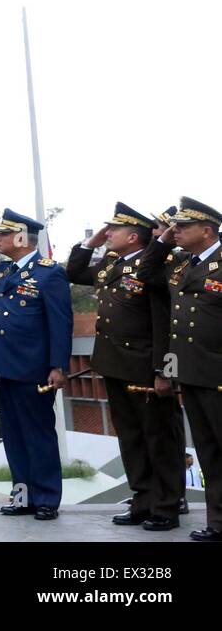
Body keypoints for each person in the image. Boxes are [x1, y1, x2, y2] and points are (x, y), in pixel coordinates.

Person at [67, 203, 183, 531]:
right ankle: (143, 499)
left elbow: (163, 324)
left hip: (144, 365)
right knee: (130, 437)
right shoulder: (111, 263)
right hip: (113, 363)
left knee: (157, 438)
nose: (108, 234)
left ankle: (167, 505)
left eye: (114, 230)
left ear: (133, 237)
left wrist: (164, 370)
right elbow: (74, 272)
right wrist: (90, 244)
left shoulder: (155, 269)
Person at [0, 209, 72, 521]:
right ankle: (23, 497)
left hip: (34, 367)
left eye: (4, 234)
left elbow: (60, 324)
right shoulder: (2, 271)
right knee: (13, 435)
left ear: (22, 238)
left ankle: (47, 498)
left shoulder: (49, 272)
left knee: (38, 434)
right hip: (4, 365)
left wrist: (58, 366)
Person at [142, 197, 222, 542]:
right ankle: (218, 522)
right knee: (208, 451)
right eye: (175, 226)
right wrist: (160, 240)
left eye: (184, 226)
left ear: (207, 230)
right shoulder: (181, 265)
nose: (176, 231)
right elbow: (145, 272)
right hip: (192, 372)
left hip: (218, 373)